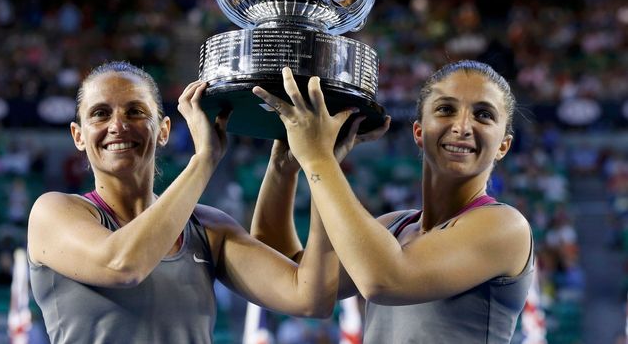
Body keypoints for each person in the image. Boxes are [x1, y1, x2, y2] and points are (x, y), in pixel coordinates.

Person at [26, 61, 341, 344]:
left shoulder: (208, 228)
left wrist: (317, 164)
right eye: (100, 113)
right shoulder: (53, 212)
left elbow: (310, 297)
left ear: (163, 131)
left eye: (135, 111)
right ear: (78, 136)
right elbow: (122, 265)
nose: (118, 125)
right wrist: (204, 160)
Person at [251, 61, 534, 343]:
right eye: (446, 109)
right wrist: (282, 167)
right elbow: (289, 278)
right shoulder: (393, 227)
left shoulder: (505, 227)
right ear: (419, 132)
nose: (462, 126)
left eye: (483, 115)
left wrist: (319, 159)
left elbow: (384, 279)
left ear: (503, 146)